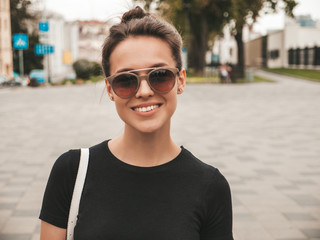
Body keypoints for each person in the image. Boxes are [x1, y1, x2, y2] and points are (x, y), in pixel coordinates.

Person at [39, 6, 233, 240]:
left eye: (160, 75)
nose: (143, 91)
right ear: (110, 89)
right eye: (125, 80)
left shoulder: (210, 186)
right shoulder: (72, 172)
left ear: (180, 80)